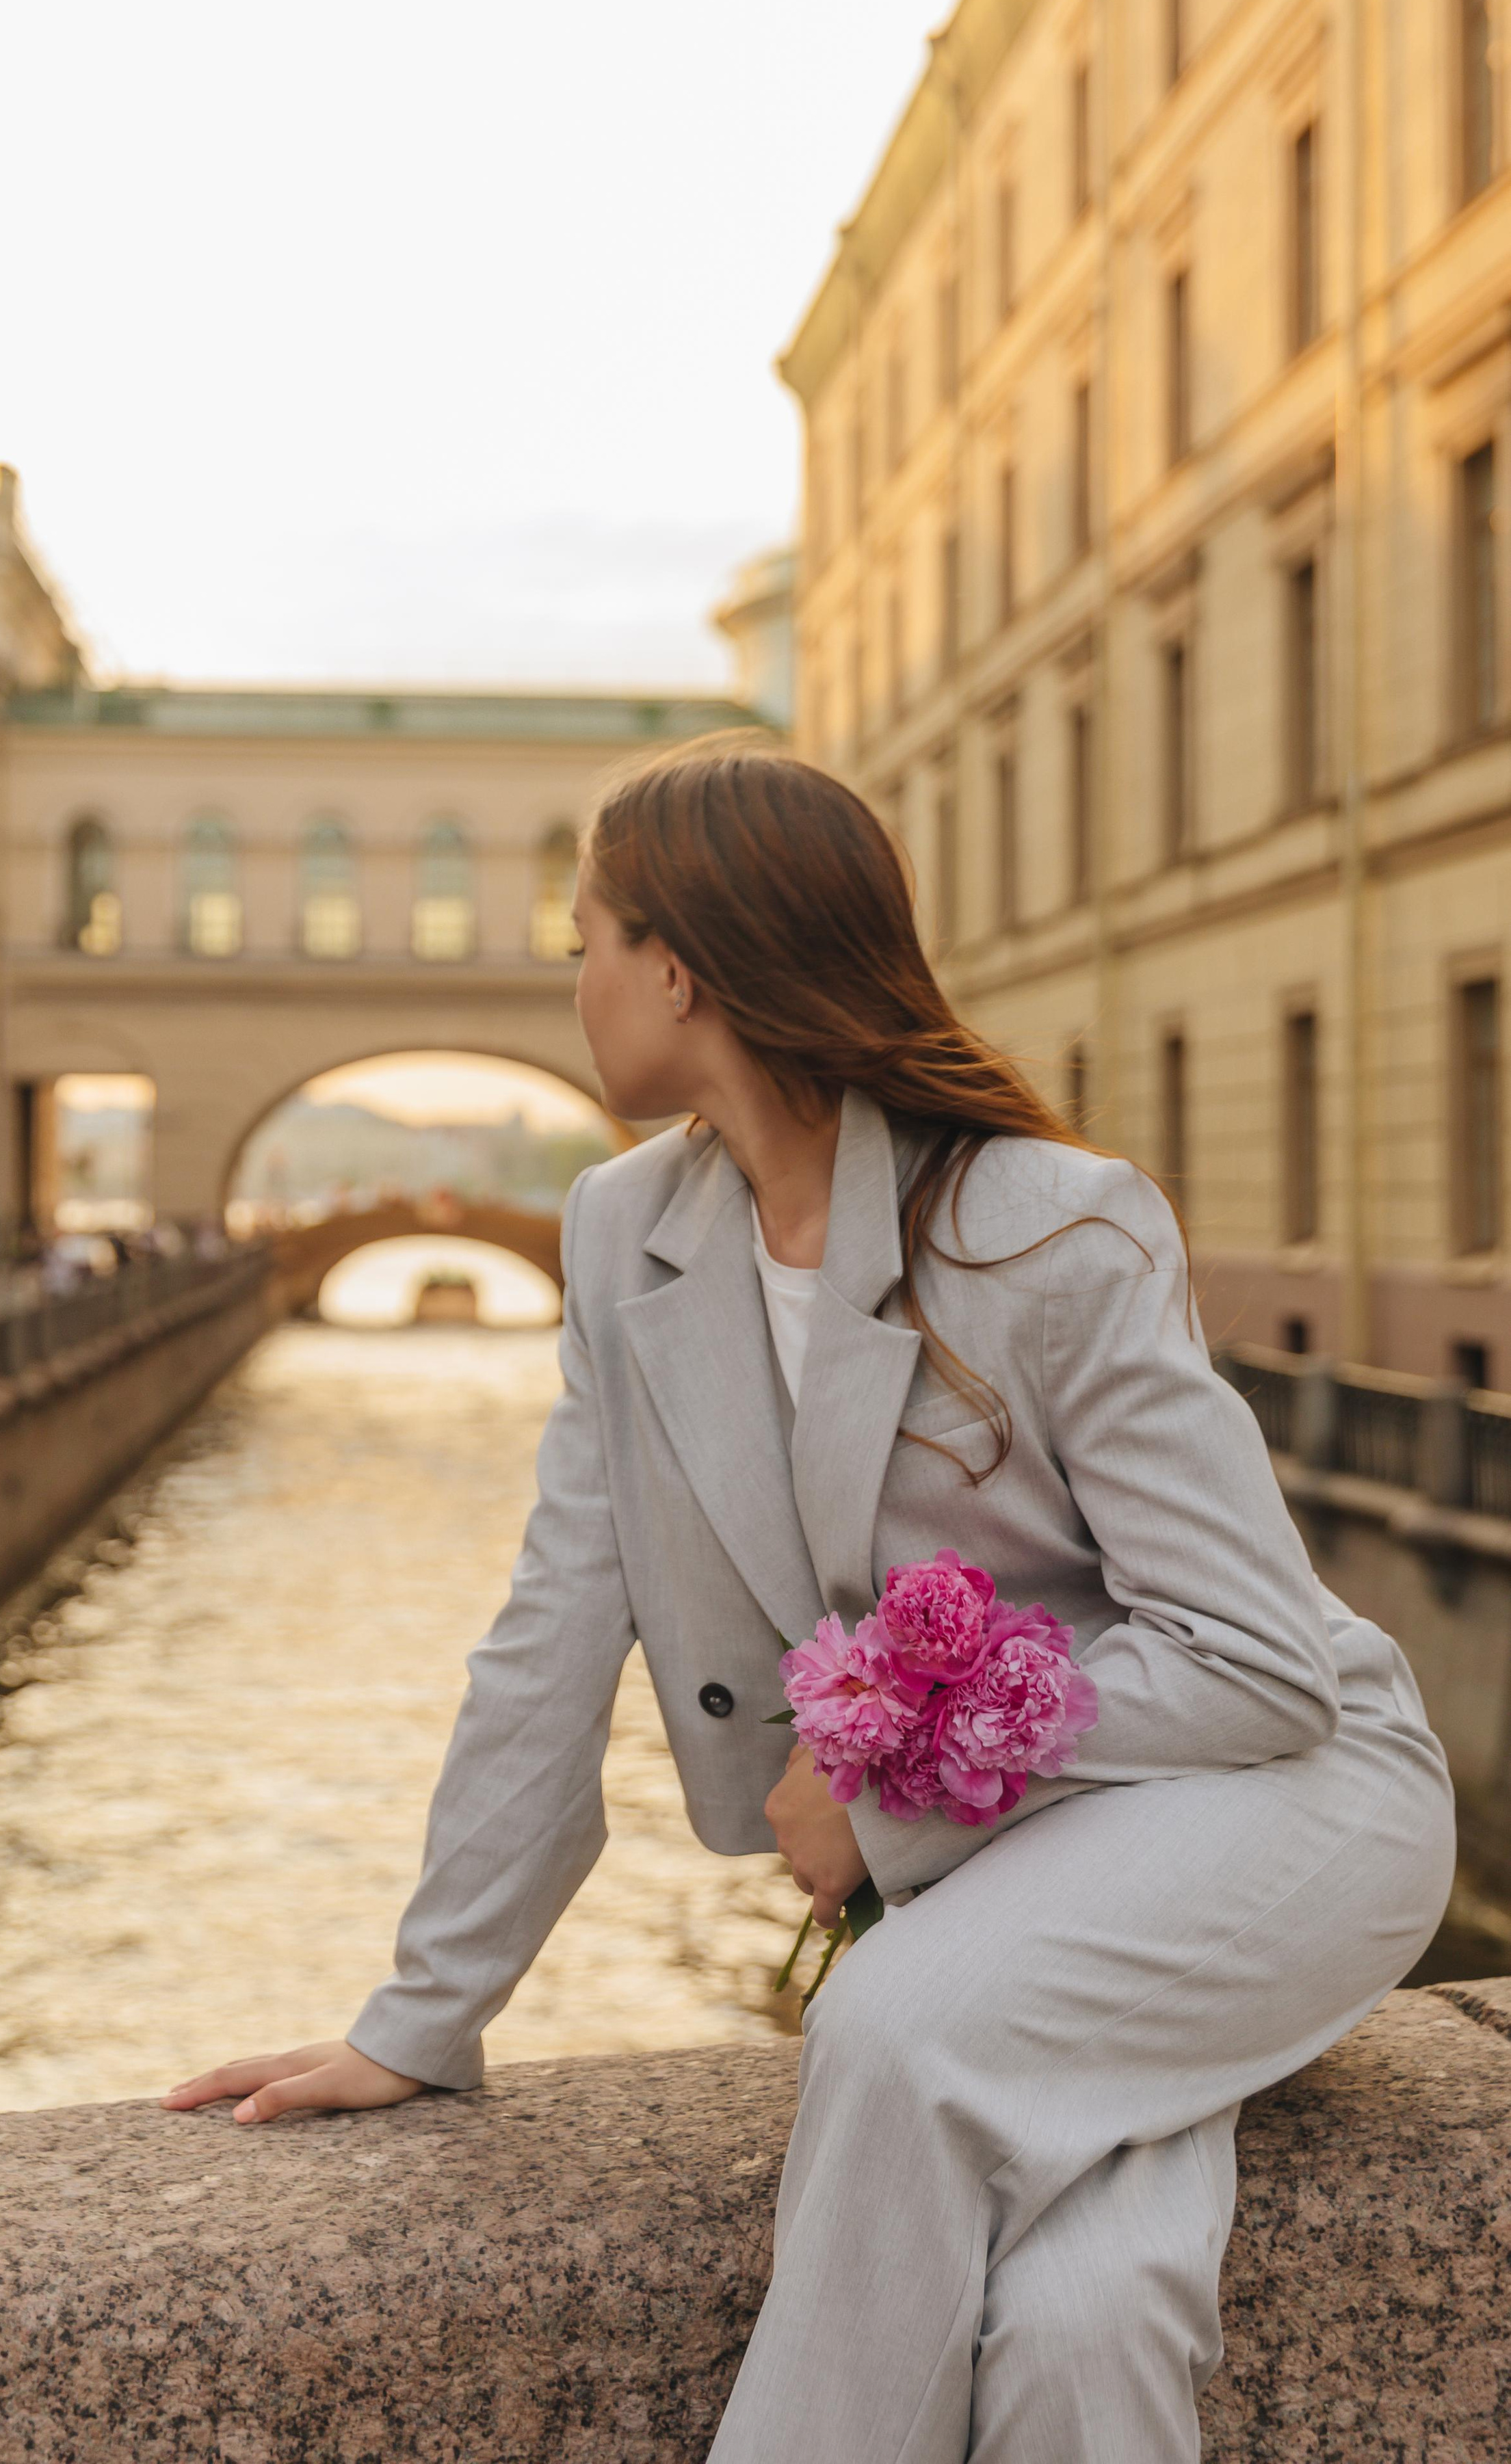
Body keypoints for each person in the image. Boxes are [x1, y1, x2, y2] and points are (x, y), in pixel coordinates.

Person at [166, 739, 1454, 2463]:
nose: (571, 981)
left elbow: (1256, 1665)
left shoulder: (1046, 1224)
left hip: (1286, 1800)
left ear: (676, 965)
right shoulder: (626, 1235)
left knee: (893, 2023)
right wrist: (423, 2013)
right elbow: (554, 1625)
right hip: (1021, 1861)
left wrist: (881, 1764)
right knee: (1086, 2320)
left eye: (582, 940)